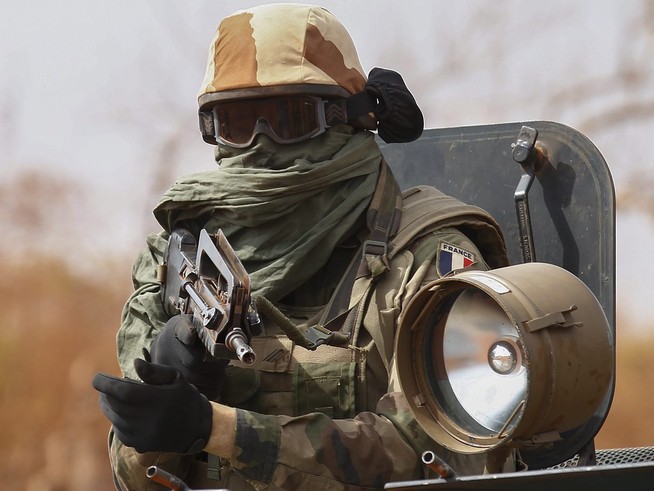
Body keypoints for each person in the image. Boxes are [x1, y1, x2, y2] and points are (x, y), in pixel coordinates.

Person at [91, 3, 514, 490]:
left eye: (289, 120)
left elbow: (437, 457)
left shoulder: (424, 263)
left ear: (350, 119)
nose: (261, 144)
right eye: (237, 124)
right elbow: (137, 480)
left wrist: (218, 430)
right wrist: (170, 396)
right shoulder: (185, 261)